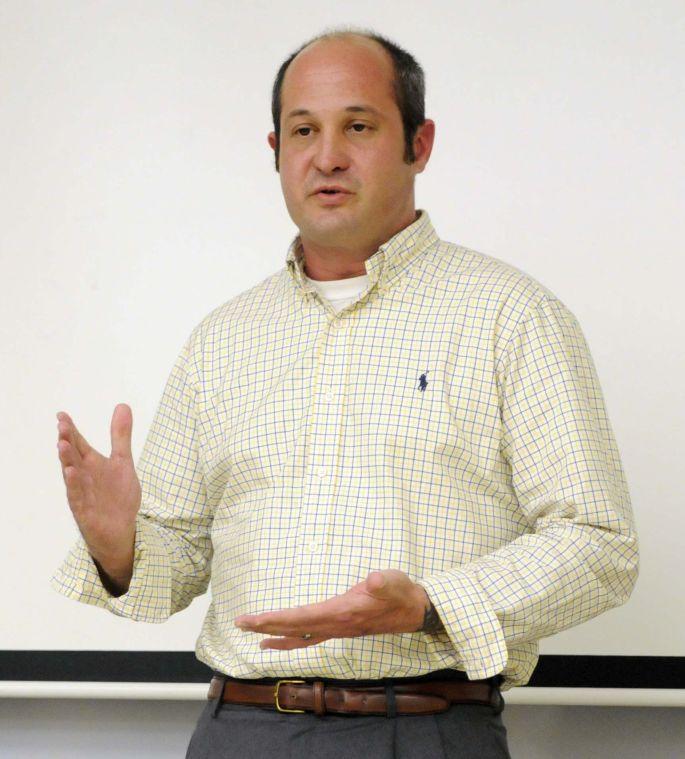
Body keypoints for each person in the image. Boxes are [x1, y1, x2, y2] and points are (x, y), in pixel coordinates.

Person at [52, 26, 639, 759]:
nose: (326, 155)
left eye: (357, 126)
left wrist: (428, 606)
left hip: (424, 729)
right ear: (276, 152)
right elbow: (177, 564)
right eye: (303, 130)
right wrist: (121, 550)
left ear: (419, 144)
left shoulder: (511, 315)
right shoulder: (223, 337)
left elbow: (598, 545)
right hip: (240, 731)